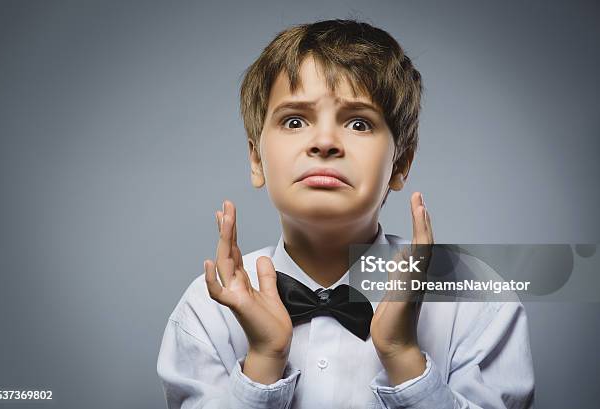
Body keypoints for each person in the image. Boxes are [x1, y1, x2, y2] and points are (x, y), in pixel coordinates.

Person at [156, 19, 535, 409]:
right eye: (295, 121)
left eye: (358, 123)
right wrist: (263, 361)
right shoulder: (207, 306)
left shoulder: (479, 299)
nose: (324, 143)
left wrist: (404, 356)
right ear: (256, 159)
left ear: (401, 163)